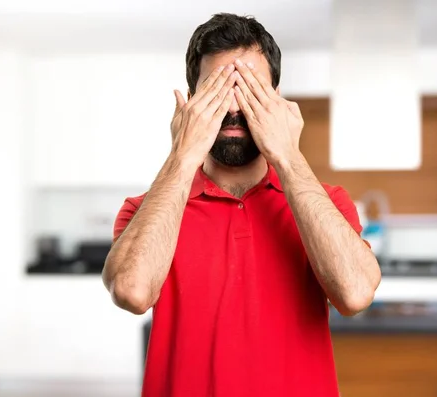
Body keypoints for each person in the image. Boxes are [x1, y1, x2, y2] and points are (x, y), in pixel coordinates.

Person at [102, 13, 381, 397]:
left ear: (277, 101)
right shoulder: (145, 211)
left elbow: (355, 294)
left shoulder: (327, 203)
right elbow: (131, 291)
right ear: (191, 102)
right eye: (218, 89)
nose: (234, 107)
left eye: (249, 89)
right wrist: (183, 156)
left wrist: (288, 156)